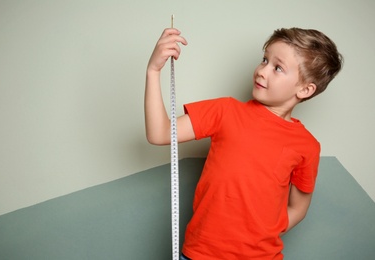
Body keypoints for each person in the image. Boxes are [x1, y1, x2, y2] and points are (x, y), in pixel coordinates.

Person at [144, 27, 343, 259]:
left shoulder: (307, 146)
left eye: (277, 67)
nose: (262, 71)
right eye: (264, 60)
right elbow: (160, 133)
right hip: (200, 254)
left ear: (305, 89)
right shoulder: (225, 111)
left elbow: (298, 208)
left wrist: (259, 234)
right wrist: (153, 70)